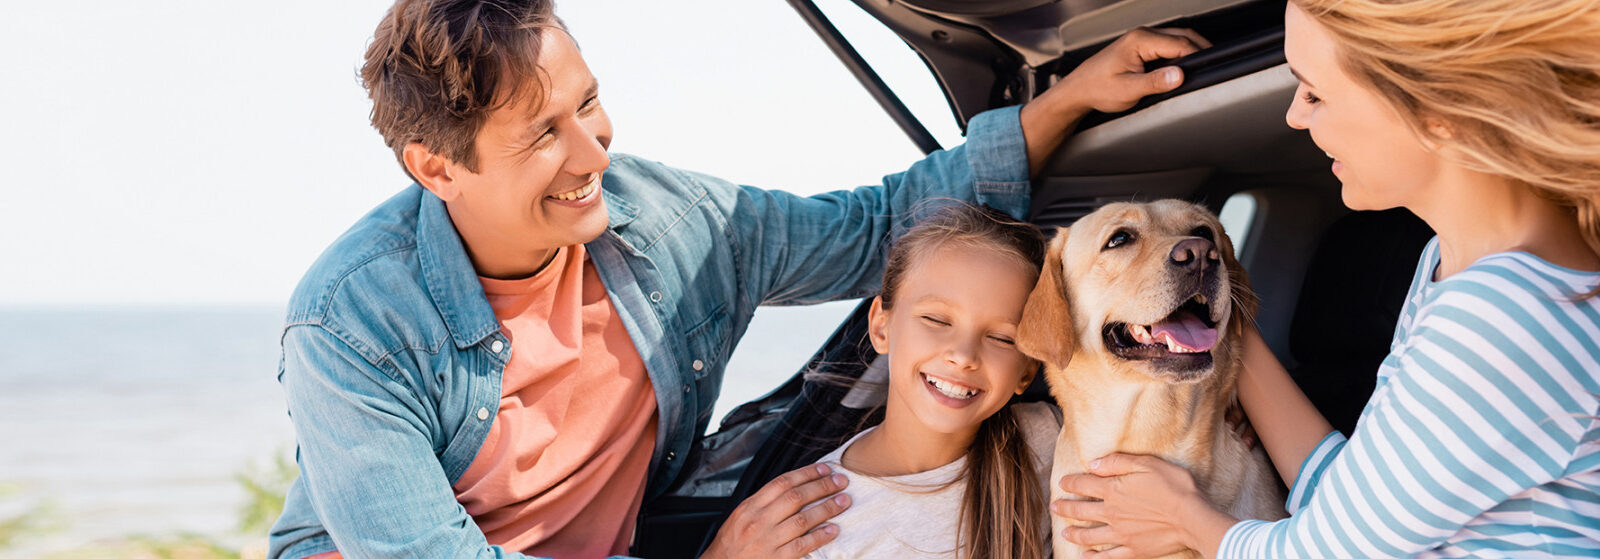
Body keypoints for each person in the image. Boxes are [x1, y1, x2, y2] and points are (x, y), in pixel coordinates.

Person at [265, 0, 1210, 557]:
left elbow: (875, 227)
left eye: (588, 102)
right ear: (437, 168)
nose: (592, 149)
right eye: (542, 135)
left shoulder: (671, 221)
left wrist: (1068, 103)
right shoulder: (352, 325)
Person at [1050, 0, 1600, 557]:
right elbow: (1351, 504)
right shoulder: (1454, 263)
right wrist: (1209, 331)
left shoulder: (1503, 313)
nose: (1294, 115)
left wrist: (1184, 519)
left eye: (1314, 92)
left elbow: (1326, 551)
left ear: (1436, 108)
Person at [803, 204, 1056, 559]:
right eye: (937, 320)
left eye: (1002, 338)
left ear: (1027, 371)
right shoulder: (818, 521)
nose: (964, 355)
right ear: (880, 327)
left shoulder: (1054, 440)